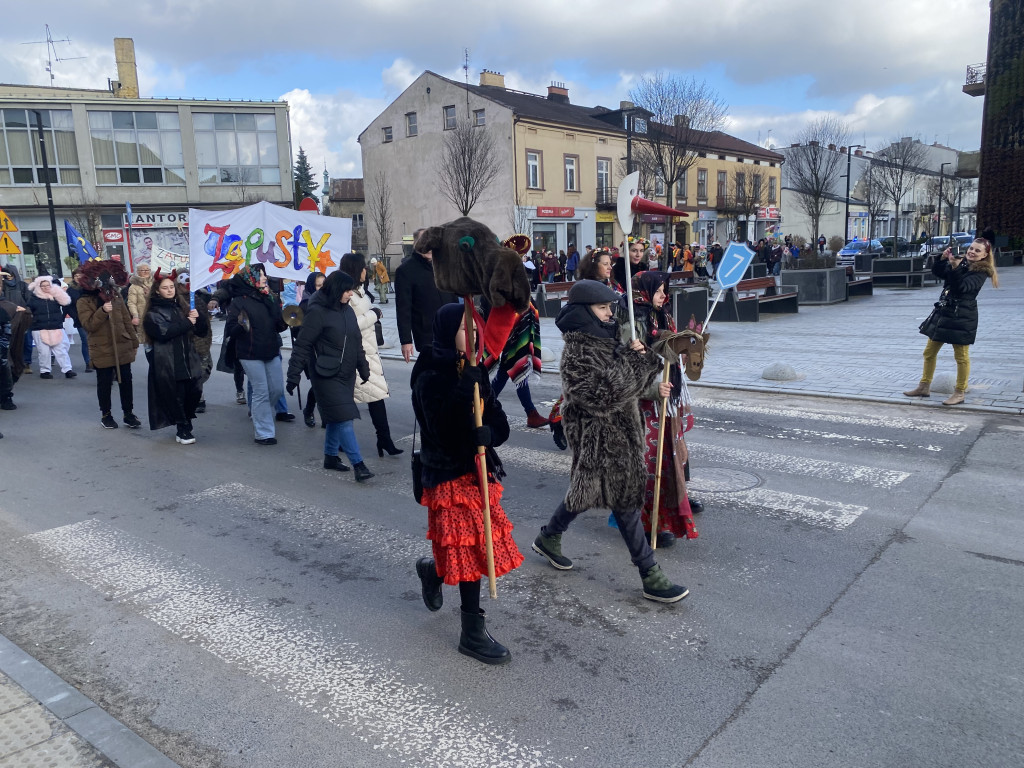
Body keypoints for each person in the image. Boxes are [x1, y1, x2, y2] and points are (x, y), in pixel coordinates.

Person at [531, 280, 689, 603]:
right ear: (583, 312)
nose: (608, 314)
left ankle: (549, 537)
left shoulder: (609, 339)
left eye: (608, 308)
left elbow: (629, 385)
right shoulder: (577, 351)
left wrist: (647, 360)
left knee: (584, 492)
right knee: (626, 501)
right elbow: (602, 394)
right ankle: (650, 574)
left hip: (620, 431)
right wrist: (634, 363)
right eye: (602, 308)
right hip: (598, 436)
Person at [412, 303, 521, 664]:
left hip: (478, 472)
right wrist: (463, 387)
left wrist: (490, 433)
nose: (473, 334)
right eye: (464, 328)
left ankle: (434, 570)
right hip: (447, 474)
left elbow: (499, 426)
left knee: (478, 545)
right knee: (474, 551)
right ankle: (471, 632)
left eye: (476, 326)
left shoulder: (475, 369)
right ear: (447, 332)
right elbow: (439, 429)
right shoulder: (428, 371)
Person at [616, 271, 699, 548]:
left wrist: (685, 350)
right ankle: (642, 523)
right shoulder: (633, 319)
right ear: (645, 291)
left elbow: (668, 353)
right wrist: (653, 388)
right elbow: (629, 367)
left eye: (666, 290)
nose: (664, 296)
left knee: (667, 458)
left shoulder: (660, 315)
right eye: (659, 290)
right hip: (642, 404)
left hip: (664, 398)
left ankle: (663, 519)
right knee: (646, 464)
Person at [286, 271, 375, 481]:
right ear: (336, 290)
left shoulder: (347, 311)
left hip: (346, 373)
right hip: (325, 374)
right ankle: (359, 465)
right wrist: (293, 375)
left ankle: (330, 457)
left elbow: (355, 342)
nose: (350, 295)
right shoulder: (317, 312)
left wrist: (363, 367)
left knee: (336, 417)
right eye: (346, 291)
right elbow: (303, 345)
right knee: (344, 418)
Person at [903, 238, 999, 406]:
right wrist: (942, 259)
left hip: (962, 316)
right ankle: (924, 386)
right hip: (944, 313)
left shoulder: (982, 271)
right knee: (929, 352)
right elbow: (940, 274)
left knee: (961, 357)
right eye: (971, 248)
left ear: (985, 255)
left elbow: (961, 288)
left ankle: (959, 392)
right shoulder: (961, 263)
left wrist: (955, 267)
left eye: (977, 251)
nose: (972, 252)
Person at [340, 253, 403, 457]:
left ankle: (384, 439)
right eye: (363, 268)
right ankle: (341, 440)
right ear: (354, 269)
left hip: (368, 351)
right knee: (347, 399)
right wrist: (373, 315)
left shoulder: (360, 291)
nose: (366, 271)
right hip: (354, 353)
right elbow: (349, 326)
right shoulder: (344, 294)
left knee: (376, 396)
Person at [224, 265, 288, 445]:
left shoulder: (269, 298)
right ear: (250, 279)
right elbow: (230, 329)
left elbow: (278, 325)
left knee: (276, 389)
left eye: (264, 275)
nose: (264, 278)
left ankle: (261, 413)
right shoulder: (239, 301)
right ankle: (264, 433)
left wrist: (287, 319)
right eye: (260, 275)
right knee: (261, 391)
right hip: (249, 353)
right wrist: (241, 325)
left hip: (271, 350)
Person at [143, 271, 207, 444]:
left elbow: (201, 331)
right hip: (168, 361)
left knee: (193, 392)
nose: (170, 290)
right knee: (176, 395)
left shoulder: (182, 306)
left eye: (171, 287)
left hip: (188, 358)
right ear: (157, 291)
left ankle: (186, 422)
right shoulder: (153, 313)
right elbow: (164, 333)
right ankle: (183, 427)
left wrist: (198, 318)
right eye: (165, 288)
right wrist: (187, 322)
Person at [77, 260, 141, 429]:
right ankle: (106, 415)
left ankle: (128, 413)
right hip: (102, 348)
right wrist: (103, 311)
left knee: (126, 381)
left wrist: (133, 340)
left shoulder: (116, 295)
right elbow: (89, 325)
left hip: (122, 345)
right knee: (104, 383)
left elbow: (126, 318)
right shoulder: (84, 301)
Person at [394, 230, 458, 363]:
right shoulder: (405, 271)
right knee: (433, 374)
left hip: (451, 330)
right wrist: (406, 340)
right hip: (427, 334)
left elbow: (453, 297)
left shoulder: (443, 265)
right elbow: (403, 309)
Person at [26, 275, 76, 379]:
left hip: (56, 327)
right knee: (43, 352)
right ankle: (45, 371)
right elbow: (28, 311)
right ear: (38, 286)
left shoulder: (55, 296)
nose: (45, 287)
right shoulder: (33, 298)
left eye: (47, 285)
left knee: (61, 350)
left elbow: (66, 302)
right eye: (43, 286)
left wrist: (58, 292)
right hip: (40, 328)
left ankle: (68, 370)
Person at [295, 271, 326, 427]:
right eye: (318, 286)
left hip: (328, 350)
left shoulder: (330, 301)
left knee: (325, 384)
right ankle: (310, 410)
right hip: (312, 352)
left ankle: (326, 417)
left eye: (324, 285)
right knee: (318, 384)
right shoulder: (306, 304)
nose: (321, 289)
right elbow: (301, 333)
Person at [126, 262, 153, 349]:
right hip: (143, 316)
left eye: (147, 270)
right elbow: (131, 303)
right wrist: (135, 316)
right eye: (142, 270)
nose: (145, 272)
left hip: (155, 314)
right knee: (147, 341)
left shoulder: (155, 283)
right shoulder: (134, 287)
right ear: (137, 272)